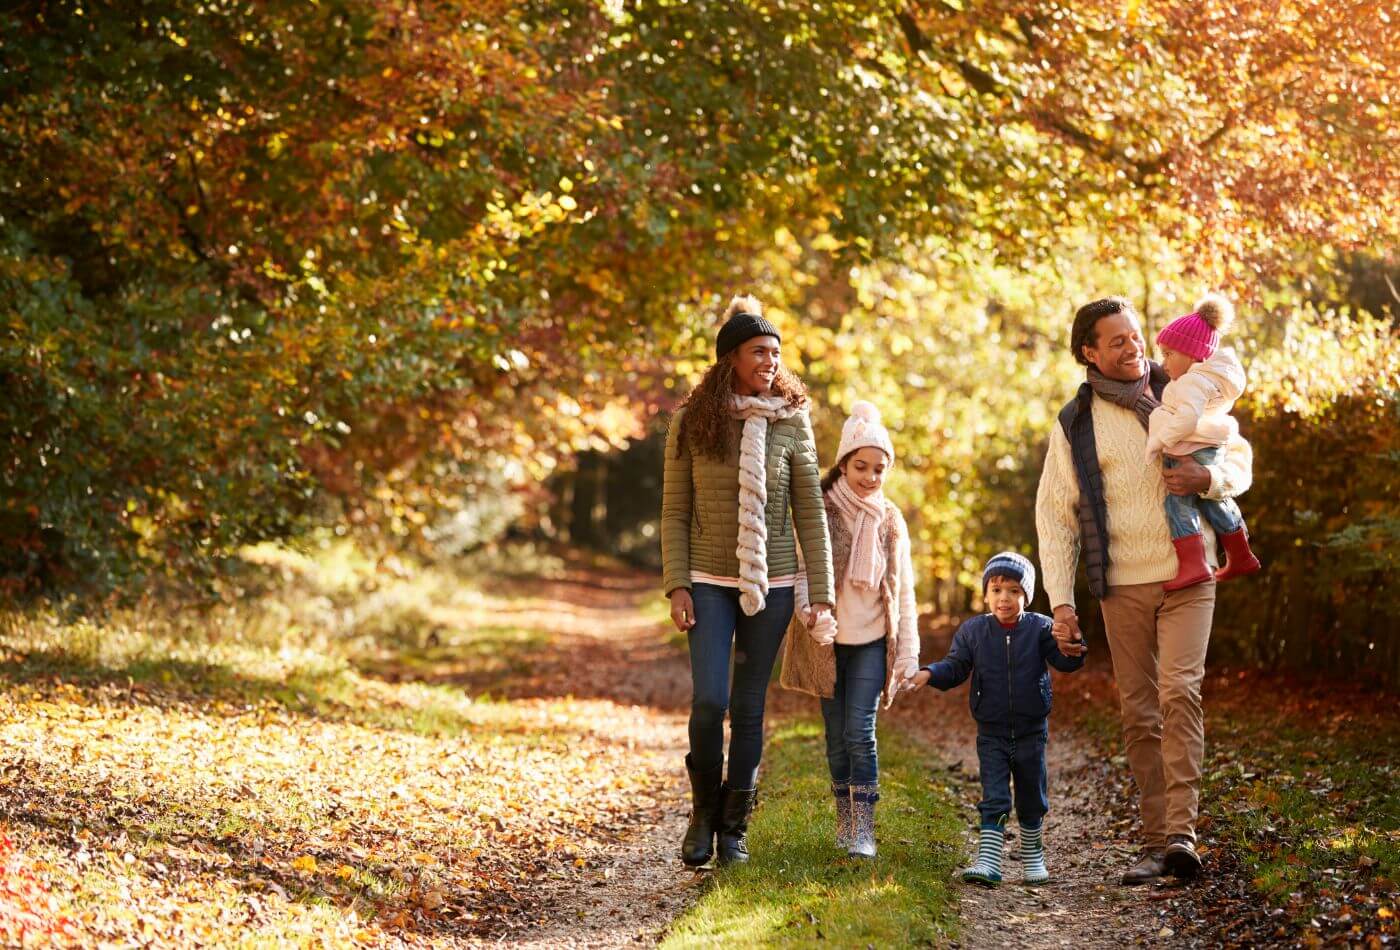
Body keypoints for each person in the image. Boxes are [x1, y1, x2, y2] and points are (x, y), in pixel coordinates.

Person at [1035, 296, 1253, 882]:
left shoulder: (1184, 387)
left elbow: (1238, 455)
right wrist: (1061, 603)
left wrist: (1210, 477)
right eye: (1117, 341)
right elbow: (1056, 514)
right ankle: (1157, 843)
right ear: (1089, 352)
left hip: (1191, 575)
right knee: (1139, 713)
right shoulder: (1075, 423)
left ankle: (1182, 835)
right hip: (1122, 584)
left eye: (1136, 337)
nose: (1133, 348)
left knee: (1179, 691)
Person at [661, 293, 834, 867]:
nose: (771, 361)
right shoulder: (692, 421)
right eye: (760, 351)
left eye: (776, 353)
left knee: (750, 706)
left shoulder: (792, 421)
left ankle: (734, 827)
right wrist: (677, 584)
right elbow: (674, 510)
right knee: (710, 701)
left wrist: (823, 594)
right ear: (730, 357)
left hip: (775, 582)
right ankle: (703, 813)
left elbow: (809, 508)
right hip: (708, 579)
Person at [779, 401, 921, 859]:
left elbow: (904, 592)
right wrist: (810, 615)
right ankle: (844, 818)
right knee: (835, 735)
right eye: (862, 466)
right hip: (827, 642)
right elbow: (802, 573)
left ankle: (864, 829)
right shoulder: (821, 511)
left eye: (880, 469)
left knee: (860, 731)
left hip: (871, 643)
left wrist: (907, 655)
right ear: (843, 464)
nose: (871, 477)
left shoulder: (891, 521)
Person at [908, 552, 1085, 885]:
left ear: (1026, 596)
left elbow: (1066, 661)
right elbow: (956, 666)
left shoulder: (1041, 628)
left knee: (1032, 794)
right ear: (986, 594)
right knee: (995, 795)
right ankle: (989, 861)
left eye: (1014, 591)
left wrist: (1074, 646)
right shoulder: (974, 631)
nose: (1005, 598)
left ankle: (1033, 857)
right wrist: (930, 673)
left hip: (1032, 730)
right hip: (991, 731)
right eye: (997, 589)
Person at [1145, 292, 1262, 589]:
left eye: (1170, 354)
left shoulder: (1191, 382)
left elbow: (1187, 419)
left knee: (1177, 504)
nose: (1164, 362)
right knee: (1213, 504)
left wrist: (1159, 440)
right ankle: (1240, 553)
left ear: (1194, 353)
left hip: (1190, 448)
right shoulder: (1206, 379)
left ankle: (1194, 563)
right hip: (1204, 448)